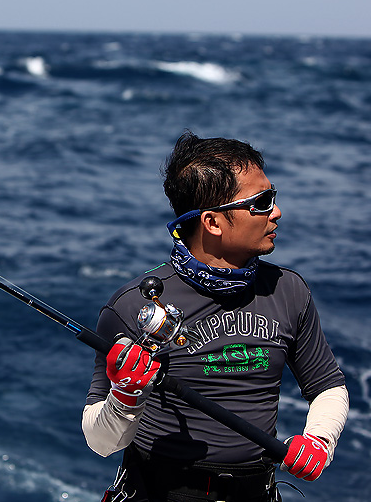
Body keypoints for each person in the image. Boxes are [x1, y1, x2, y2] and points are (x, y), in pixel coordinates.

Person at [83, 131, 348, 502]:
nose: (277, 212)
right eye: (261, 202)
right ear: (213, 222)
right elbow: (100, 442)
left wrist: (319, 439)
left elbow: (327, 387)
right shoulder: (129, 307)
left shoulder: (289, 291)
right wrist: (125, 398)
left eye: (273, 197)